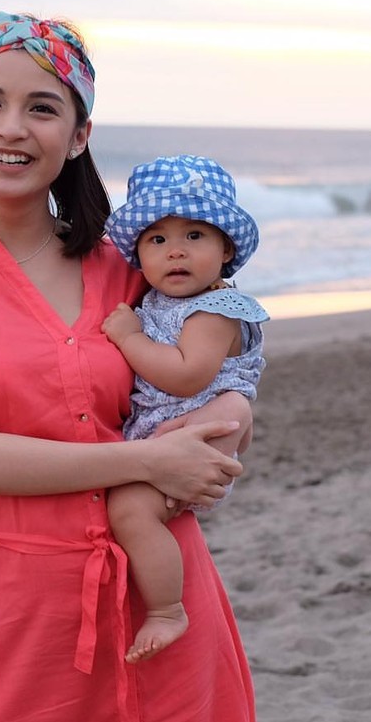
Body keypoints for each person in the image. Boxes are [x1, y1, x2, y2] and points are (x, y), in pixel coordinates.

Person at [0, 11, 256, 722]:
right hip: (16, 609)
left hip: (164, 592)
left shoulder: (131, 268)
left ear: (79, 134)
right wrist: (147, 462)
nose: (12, 128)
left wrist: (234, 416)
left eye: (42, 108)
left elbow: (219, 372)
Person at [102, 155, 269, 665]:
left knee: (129, 511)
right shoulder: (160, 301)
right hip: (178, 429)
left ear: (226, 250)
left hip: (201, 430)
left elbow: (185, 375)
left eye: (194, 236)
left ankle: (167, 609)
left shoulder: (215, 309)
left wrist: (128, 339)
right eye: (157, 239)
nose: (175, 250)